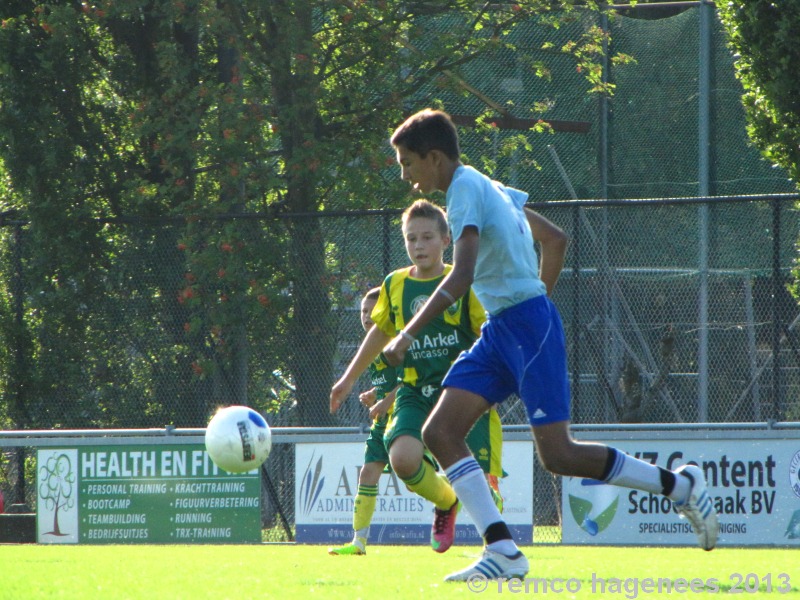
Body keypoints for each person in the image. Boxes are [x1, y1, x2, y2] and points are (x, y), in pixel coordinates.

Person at [383, 109, 719, 582]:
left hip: (523, 324)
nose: (406, 176)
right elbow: (555, 239)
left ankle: (679, 486)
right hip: (507, 328)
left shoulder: (463, 192)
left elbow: (459, 276)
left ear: (434, 157)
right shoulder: (488, 185)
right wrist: (528, 304)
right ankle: (502, 550)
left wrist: (408, 332)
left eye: (407, 163)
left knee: (558, 454)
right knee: (440, 432)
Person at [330, 199, 504, 555]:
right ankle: (446, 500)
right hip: (415, 389)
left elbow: (487, 333)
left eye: (427, 237)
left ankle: (498, 554)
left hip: (463, 391)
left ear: (445, 240)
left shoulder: (462, 281)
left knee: (483, 484)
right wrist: (348, 378)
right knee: (403, 460)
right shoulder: (395, 283)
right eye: (411, 239)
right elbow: (381, 331)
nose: (418, 245)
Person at [329, 287, 400, 556]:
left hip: (407, 415)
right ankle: (358, 542)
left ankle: (462, 494)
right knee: (367, 474)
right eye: (363, 311)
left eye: (373, 310)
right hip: (383, 420)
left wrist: (386, 401)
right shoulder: (370, 344)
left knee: (418, 475)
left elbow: (414, 380)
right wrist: (376, 394)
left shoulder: (395, 341)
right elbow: (389, 381)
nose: (368, 316)